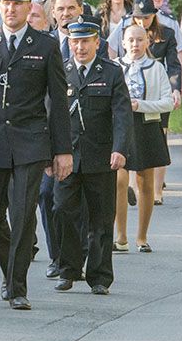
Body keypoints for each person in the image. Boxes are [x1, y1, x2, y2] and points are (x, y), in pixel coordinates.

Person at [0, 0, 72, 310]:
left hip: (30, 141)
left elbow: (57, 101)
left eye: (17, 3)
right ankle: (10, 268)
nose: (10, 9)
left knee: (25, 214)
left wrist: (62, 150)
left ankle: (17, 286)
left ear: (30, 7)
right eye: (5, 3)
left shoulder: (45, 45)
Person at [52, 16, 132, 294]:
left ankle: (99, 276)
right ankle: (69, 269)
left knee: (101, 217)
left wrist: (120, 149)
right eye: (76, 41)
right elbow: (50, 114)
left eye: (86, 41)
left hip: (100, 156)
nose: (80, 47)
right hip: (67, 158)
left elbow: (122, 114)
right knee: (63, 211)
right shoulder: (60, 71)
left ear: (97, 42)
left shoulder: (110, 72)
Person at [114, 25, 173, 253]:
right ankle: (120, 236)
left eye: (140, 40)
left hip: (146, 125)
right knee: (119, 180)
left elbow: (167, 102)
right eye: (131, 40)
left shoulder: (156, 68)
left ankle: (142, 236)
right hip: (120, 126)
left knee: (144, 180)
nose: (135, 44)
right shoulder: (115, 66)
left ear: (147, 42)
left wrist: (141, 105)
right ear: (123, 42)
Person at [125, 0, 180, 205]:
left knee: (158, 140)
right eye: (138, 18)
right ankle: (131, 185)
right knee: (129, 140)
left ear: (154, 16)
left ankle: (157, 190)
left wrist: (175, 89)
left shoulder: (167, 33)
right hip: (133, 93)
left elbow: (173, 64)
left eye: (146, 18)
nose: (141, 22)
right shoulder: (127, 34)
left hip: (158, 88)